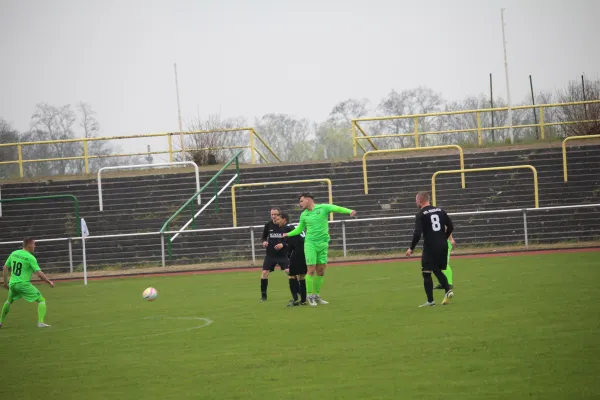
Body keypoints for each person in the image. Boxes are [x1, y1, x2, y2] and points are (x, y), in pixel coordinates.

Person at [283, 192, 356, 306]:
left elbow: (337, 208)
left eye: (301, 201)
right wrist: (288, 234)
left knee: (321, 271)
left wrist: (349, 211)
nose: (300, 204)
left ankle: (316, 295)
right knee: (311, 270)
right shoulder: (304, 215)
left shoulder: (323, 208)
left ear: (308, 200)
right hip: (310, 244)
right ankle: (309, 296)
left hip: (323, 244)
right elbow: (300, 229)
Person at [405, 192, 454, 307]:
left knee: (426, 272)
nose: (416, 202)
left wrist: (411, 248)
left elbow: (417, 233)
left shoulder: (421, 214)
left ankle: (430, 301)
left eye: (416, 201)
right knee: (437, 270)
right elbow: (451, 226)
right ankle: (448, 290)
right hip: (443, 244)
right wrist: (443, 238)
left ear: (420, 201)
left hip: (430, 246)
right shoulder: (441, 211)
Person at [1, 237, 54, 328]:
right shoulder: (30, 257)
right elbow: (39, 274)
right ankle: (40, 323)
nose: (35, 246)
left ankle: (0, 322)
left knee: (9, 301)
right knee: (41, 300)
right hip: (23, 284)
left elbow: (5, 268)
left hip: (12, 284)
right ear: (29, 245)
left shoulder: (14, 253)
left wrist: (5, 283)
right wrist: (49, 282)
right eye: (34, 244)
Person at [260, 208, 291, 301]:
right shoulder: (268, 225)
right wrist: (264, 242)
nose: (273, 216)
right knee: (264, 273)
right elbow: (263, 237)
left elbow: (290, 240)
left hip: (283, 255)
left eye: (275, 214)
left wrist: (283, 244)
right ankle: (263, 296)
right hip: (270, 255)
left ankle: (296, 292)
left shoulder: (286, 227)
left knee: (289, 272)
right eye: (272, 214)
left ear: (279, 215)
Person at [279, 212, 308, 307]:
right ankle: (303, 300)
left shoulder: (286, 228)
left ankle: (295, 300)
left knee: (291, 275)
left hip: (297, 253)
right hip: (306, 251)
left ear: (284, 219)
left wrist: (287, 255)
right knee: (301, 276)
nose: (277, 221)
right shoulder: (295, 225)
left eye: (279, 219)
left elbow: (290, 244)